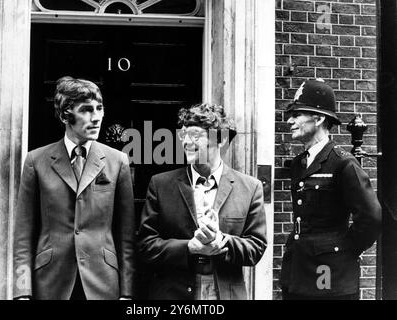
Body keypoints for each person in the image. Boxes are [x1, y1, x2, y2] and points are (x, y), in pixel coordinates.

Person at [13, 76, 135, 300]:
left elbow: (126, 237)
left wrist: (127, 293)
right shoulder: (36, 160)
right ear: (65, 115)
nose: (96, 117)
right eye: (87, 110)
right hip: (50, 283)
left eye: (100, 108)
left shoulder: (117, 161)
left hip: (102, 283)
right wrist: (22, 292)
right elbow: (23, 236)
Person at [137, 103, 267, 300]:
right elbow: (146, 245)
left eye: (195, 135)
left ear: (220, 139)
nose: (186, 142)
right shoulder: (160, 184)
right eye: (183, 135)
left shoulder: (250, 187)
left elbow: (256, 247)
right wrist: (189, 247)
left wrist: (221, 242)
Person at [280, 79, 381, 300]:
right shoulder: (299, 164)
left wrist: (344, 250)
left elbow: (371, 217)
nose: (290, 121)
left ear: (318, 118)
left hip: (329, 275)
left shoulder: (343, 163)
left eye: (297, 115)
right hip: (297, 272)